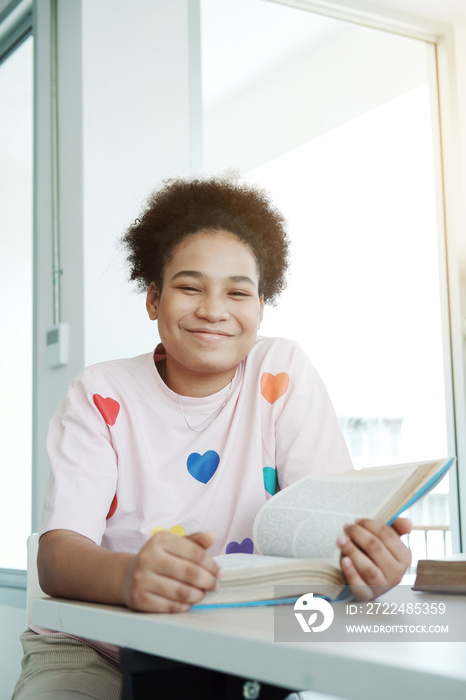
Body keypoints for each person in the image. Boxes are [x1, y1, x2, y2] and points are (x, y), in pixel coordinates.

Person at [12, 175, 411, 699]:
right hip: (97, 645)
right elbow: (58, 557)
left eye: (238, 292)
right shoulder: (101, 391)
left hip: (242, 643)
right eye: (189, 286)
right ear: (153, 299)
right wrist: (131, 577)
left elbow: (328, 528)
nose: (213, 310)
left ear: (261, 306)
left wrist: (371, 567)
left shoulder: (282, 370)